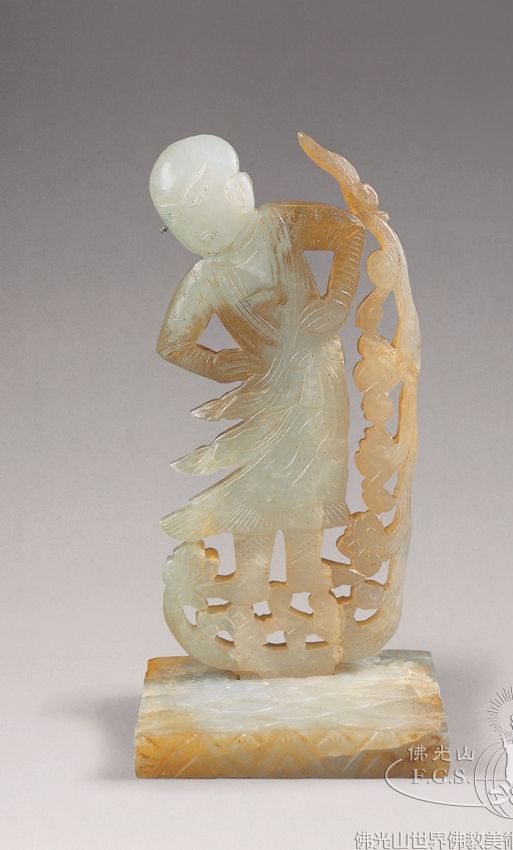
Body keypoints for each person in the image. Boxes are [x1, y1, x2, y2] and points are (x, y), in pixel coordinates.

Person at [150, 135, 364, 620]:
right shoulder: (206, 278)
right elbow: (173, 343)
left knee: (311, 474)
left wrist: (338, 300)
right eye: (176, 223)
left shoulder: (280, 225)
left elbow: (348, 232)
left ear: (240, 190)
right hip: (269, 388)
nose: (196, 231)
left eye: (200, 209)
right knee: (259, 480)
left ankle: (306, 570)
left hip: (316, 375)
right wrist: (214, 364)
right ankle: (251, 576)